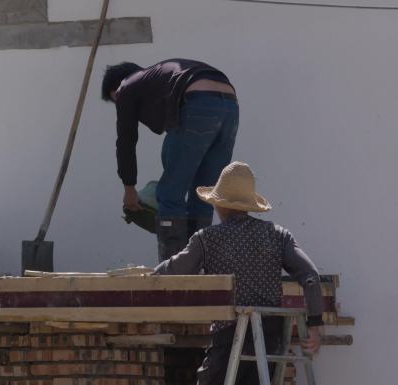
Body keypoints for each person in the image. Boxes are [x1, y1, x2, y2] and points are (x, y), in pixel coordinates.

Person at [154, 161, 324, 385]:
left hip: (229, 337)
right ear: (249, 205)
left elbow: (175, 270)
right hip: (270, 339)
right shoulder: (278, 235)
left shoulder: (207, 239)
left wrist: (149, 276)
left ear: (219, 205)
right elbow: (311, 275)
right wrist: (315, 324)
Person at [102, 59, 239, 262]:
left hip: (198, 103)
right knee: (203, 195)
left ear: (117, 87)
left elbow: (126, 140)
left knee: (170, 193)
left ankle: (174, 269)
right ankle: (199, 265)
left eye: (116, 101)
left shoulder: (126, 87)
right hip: (230, 106)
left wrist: (129, 188)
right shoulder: (159, 79)